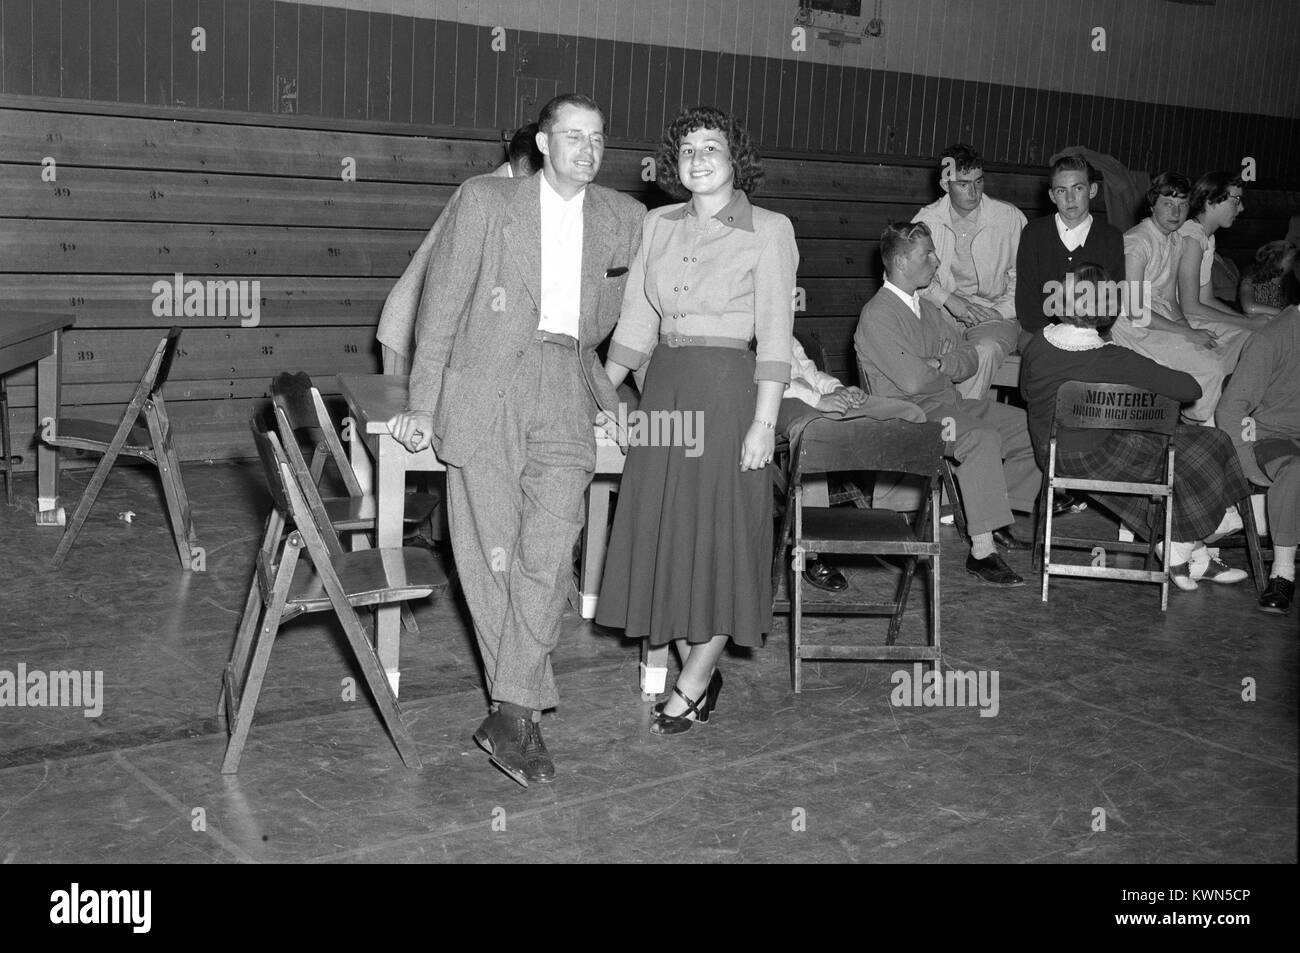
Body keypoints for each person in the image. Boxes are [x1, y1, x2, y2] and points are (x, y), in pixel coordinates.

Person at [387, 94, 645, 787]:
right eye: (572, 136)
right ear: (543, 140)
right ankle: (516, 710)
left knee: (551, 549)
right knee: (488, 555)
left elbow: (640, 315)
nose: (586, 150)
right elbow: (437, 310)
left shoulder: (624, 218)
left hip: (566, 380)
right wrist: (422, 402)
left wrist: (614, 392)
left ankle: (511, 706)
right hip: (486, 388)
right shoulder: (484, 201)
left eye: (597, 138)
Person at [595, 105, 795, 734]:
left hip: (730, 395)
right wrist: (601, 392)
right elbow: (636, 322)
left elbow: (776, 341)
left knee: (721, 539)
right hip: (666, 394)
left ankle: (692, 680)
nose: (698, 159)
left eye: (712, 147)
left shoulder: (770, 229)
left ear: (737, 160)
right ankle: (698, 670)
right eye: (686, 149)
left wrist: (765, 424)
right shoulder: (656, 225)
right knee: (664, 535)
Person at [1020, 262, 1250, 591]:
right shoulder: (1114, 358)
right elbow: (1190, 390)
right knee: (1211, 441)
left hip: (1051, 452)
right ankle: (1183, 544)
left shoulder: (1037, 343)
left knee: (1169, 453)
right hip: (1094, 454)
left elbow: (1028, 394)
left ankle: (1189, 550)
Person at [856, 221, 1041, 587]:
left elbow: (968, 357)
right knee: (980, 437)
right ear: (901, 262)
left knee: (1030, 427)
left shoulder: (927, 308)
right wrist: (940, 366)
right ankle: (982, 551)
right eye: (928, 254)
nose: (937, 262)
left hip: (948, 404)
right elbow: (910, 381)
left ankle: (996, 516)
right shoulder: (878, 314)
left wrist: (939, 363)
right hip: (912, 417)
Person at [375, 124, 543, 375]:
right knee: (405, 411)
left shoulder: (502, 191)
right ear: (527, 164)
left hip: (428, 324)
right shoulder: (482, 192)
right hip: (410, 325)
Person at [777, 336, 926, 592]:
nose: (791, 297)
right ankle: (813, 553)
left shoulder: (784, 326)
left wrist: (836, 389)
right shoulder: (748, 316)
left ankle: (890, 523)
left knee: (910, 416)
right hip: (779, 402)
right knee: (814, 433)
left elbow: (807, 369)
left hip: (815, 396)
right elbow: (761, 379)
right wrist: (816, 400)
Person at [1111, 172, 1232, 424]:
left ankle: (1196, 423)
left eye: (1183, 205)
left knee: (1218, 353)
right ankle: (1199, 432)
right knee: (1211, 368)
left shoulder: (1175, 240)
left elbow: (1169, 297)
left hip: (1158, 318)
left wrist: (1187, 329)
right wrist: (1187, 335)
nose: (1176, 212)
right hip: (1132, 326)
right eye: (1168, 203)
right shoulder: (1137, 243)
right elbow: (1135, 310)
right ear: (1153, 204)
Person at [912, 144, 1025, 399]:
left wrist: (998, 312)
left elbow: (1025, 278)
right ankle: (932, 424)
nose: (973, 192)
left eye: (978, 182)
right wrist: (950, 301)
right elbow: (909, 278)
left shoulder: (1009, 218)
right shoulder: (926, 220)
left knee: (983, 351)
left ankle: (960, 424)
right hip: (942, 311)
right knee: (927, 349)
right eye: (963, 184)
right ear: (945, 184)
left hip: (993, 312)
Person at [1217, 306, 1300, 612]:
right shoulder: (1272, 338)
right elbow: (1229, 410)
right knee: (1295, 471)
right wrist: (1249, 469)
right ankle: (1283, 573)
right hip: (1275, 439)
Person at [1015, 154, 1124, 346]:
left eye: (1078, 188)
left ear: (1092, 190)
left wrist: (1083, 336)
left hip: (1092, 332)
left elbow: (1113, 300)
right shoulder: (1034, 233)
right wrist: (1058, 339)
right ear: (1051, 196)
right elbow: (1027, 301)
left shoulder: (1111, 237)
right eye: (1061, 191)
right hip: (1039, 332)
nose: (1070, 198)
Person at [1175, 172, 1263, 358]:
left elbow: (1206, 300)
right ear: (1211, 200)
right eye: (1236, 200)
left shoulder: (1207, 237)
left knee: (1257, 333)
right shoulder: (1191, 237)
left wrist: (1244, 319)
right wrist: (1248, 324)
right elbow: (1189, 306)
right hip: (1175, 318)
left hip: (1191, 315)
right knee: (1251, 340)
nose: (1241, 208)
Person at [1239, 241, 1298, 316]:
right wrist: (1285, 314)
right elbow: (1249, 307)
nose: (1294, 262)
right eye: (1292, 259)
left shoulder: (1289, 281)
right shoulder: (1250, 279)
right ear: (1276, 261)